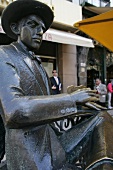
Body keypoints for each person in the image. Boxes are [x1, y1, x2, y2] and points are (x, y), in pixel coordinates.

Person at [0, 1, 113, 170]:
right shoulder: (4, 54)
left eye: (42, 28)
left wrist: (76, 98)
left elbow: (47, 103)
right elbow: (14, 111)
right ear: (16, 28)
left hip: (56, 145)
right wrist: (71, 100)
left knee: (102, 118)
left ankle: (103, 165)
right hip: (32, 157)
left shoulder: (37, 64)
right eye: (32, 25)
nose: (39, 32)